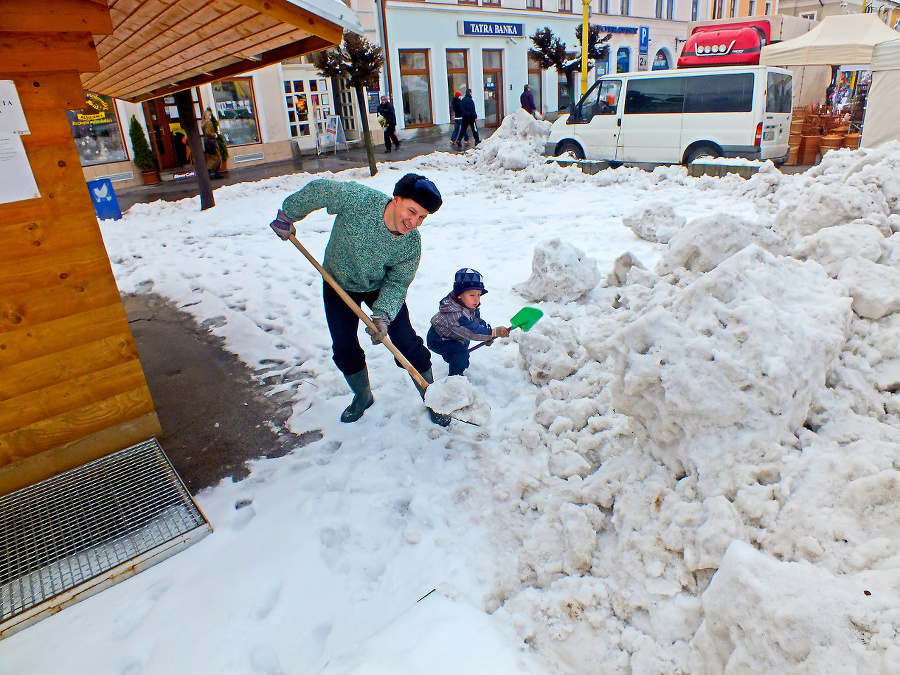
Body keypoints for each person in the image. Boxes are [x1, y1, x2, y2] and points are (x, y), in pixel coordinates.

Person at [269, 173, 450, 426]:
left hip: (378, 286)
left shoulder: (411, 244)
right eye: (412, 211)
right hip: (338, 282)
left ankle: (431, 396)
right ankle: (362, 397)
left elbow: (398, 282)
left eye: (422, 217)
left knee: (406, 341)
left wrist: (383, 315)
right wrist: (288, 214)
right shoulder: (358, 200)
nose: (414, 222)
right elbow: (320, 190)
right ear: (396, 199)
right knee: (344, 346)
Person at [427, 269, 508, 376]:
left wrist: (487, 335)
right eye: (472, 295)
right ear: (460, 294)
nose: (476, 299)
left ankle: (455, 359)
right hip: (439, 339)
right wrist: (491, 333)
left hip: (456, 336)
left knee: (461, 351)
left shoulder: (468, 305)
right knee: (460, 353)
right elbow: (470, 331)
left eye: (479, 295)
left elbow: (476, 322)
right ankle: (455, 379)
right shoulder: (453, 313)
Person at [201, 108, 222, 179]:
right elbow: (208, 133)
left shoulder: (203, 123)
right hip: (211, 141)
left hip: (207, 142)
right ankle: (209, 172)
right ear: (208, 116)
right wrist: (215, 135)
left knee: (211, 158)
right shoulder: (208, 123)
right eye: (210, 115)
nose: (211, 116)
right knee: (217, 157)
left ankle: (215, 173)